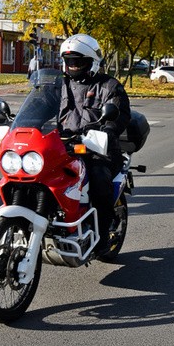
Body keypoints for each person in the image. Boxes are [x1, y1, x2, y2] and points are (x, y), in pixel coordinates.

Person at [57, 34, 131, 255]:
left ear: (92, 61)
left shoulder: (109, 86)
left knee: (99, 178)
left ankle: (101, 234)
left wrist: (106, 132)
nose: (73, 65)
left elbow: (118, 116)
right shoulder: (58, 85)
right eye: (69, 61)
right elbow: (39, 107)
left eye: (78, 61)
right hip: (62, 146)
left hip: (98, 149)